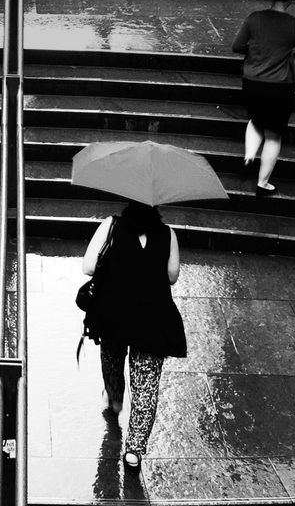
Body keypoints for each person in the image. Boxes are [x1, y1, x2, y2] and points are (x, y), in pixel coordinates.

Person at [81, 201, 186, 471]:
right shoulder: (168, 234)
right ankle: (134, 451)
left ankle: (115, 399)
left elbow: (89, 266)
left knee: (112, 360)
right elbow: (172, 276)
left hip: (112, 314)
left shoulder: (111, 226)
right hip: (152, 320)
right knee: (146, 386)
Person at [232, 0, 295, 193]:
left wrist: (256, 49)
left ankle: (249, 157)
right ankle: (263, 183)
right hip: (279, 86)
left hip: (252, 82)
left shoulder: (254, 18)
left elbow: (237, 46)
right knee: (274, 135)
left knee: (256, 120)